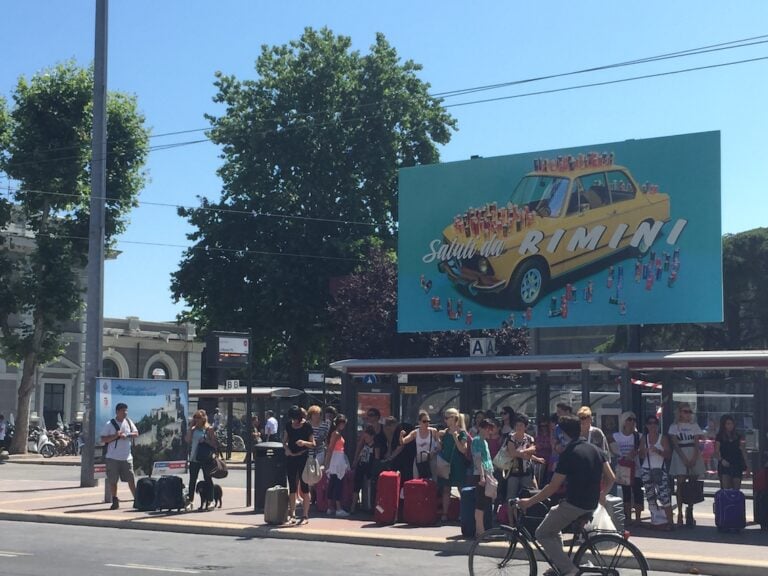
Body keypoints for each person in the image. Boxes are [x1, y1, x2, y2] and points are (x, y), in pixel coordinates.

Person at [519, 415, 615, 576]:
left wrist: (529, 502)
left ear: (562, 435)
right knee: (553, 516)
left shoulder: (569, 454)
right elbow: (611, 478)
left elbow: (553, 487)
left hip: (574, 504)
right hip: (591, 504)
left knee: (541, 533)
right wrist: (602, 495)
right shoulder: (595, 450)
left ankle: (569, 569)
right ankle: (560, 564)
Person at [668, 403, 705, 527]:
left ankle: (690, 509)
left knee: (693, 483)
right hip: (680, 454)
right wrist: (684, 459)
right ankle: (679, 512)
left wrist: (694, 457)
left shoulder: (694, 426)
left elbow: (696, 442)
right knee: (680, 484)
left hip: (693, 452)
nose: (688, 414)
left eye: (689, 412)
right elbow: (675, 445)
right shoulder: (674, 427)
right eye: (685, 411)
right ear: (679, 412)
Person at [100, 402, 139, 510]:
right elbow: (103, 439)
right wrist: (116, 436)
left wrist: (127, 435)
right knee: (113, 480)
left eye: (126, 410)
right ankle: (115, 499)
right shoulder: (110, 424)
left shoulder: (129, 422)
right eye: (123, 411)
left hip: (127, 457)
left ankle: (137, 500)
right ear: (117, 412)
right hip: (113, 457)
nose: (125, 413)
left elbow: (136, 433)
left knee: (131, 479)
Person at [638, 415, 674, 530]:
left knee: (664, 496)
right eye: (650, 423)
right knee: (650, 495)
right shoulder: (644, 438)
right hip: (646, 468)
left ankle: (670, 522)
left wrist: (658, 451)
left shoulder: (662, 438)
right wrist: (644, 451)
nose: (653, 425)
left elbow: (668, 455)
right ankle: (655, 520)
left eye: (655, 423)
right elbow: (640, 455)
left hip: (659, 468)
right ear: (647, 426)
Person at [283, 405, 315, 524]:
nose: (294, 421)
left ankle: (305, 515)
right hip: (291, 457)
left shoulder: (307, 426)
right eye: (292, 418)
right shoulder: (288, 425)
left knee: (304, 486)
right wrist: (286, 449)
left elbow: (313, 444)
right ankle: (292, 514)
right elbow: (284, 441)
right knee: (292, 485)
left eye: (295, 418)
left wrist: (304, 442)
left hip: (303, 457)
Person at [611, 411, 643, 525]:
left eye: (634, 420)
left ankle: (638, 518)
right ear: (624, 422)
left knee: (638, 491)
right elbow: (612, 450)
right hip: (623, 468)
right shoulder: (616, 436)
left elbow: (642, 450)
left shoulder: (638, 436)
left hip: (636, 468)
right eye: (629, 419)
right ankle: (628, 517)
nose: (632, 422)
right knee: (626, 493)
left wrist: (634, 453)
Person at [438, 407, 468, 523]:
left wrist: (456, 437)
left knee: (462, 490)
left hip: (458, 464)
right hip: (446, 464)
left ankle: (463, 513)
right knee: (446, 489)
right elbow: (441, 448)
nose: (445, 420)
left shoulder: (462, 432)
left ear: (454, 418)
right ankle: (445, 514)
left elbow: (463, 450)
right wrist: (438, 439)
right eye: (444, 418)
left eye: (447, 418)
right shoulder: (445, 432)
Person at [185, 409, 217, 506]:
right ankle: (190, 500)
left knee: (207, 478)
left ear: (203, 418)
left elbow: (214, 444)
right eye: (195, 417)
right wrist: (191, 427)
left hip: (205, 458)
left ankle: (210, 499)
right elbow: (187, 440)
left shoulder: (209, 429)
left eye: (198, 418)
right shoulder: (193, 429)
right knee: (192, 480)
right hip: (194, 458)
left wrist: (206, 440)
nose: (196, 420)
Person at [505, 414, 541, 498]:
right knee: (511, 497)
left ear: (526, 426)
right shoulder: (511, 437)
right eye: (517, 425)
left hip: (526, 472)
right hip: (512, 472)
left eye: (521, 425)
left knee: (527, 495)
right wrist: (525, 453)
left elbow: (530, 454)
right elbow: (512, 453)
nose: (518, 427)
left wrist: (522, 452)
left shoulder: (530, 439)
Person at [471, 418, 495, 537]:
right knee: (480, 503)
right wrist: (482, 476)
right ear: (480, 428)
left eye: (489, 429)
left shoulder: (484, 441)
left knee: (487, 502)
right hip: (481, 474)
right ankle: (479, 530)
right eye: (486, 428)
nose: (488, 431)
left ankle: (485, 529)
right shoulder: (476, 441)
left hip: (488, 473)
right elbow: (478, 459)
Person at [324, 414, 351, 517]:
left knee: (333, 483)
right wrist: (327, 463)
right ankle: (338, 508)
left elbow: (330, 448)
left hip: (336, 458)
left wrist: (327, 462)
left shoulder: (335, 433)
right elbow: (330, 448)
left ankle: (330, 507)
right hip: (337, 459)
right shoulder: (336, 434)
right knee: (338, 484)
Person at [400, 410, 439, 479]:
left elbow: (439, 446)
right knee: (417, 480)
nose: (427, 423)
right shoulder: (415, 433)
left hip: (431, 459)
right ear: (419, 422)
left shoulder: (433, 431)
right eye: (424, 421)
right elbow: (403, 442)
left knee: (433, 480)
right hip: (419, 459)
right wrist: (401, 435)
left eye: (428, 421)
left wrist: (434, 452)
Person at [714, 414, 749, 490]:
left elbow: (743, 451)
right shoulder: (719, 436)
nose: (730, 426)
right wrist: (721, 460)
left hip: (737, 464)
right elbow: (716, 452)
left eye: (731, 423)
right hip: (725, 464)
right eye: (728, 424)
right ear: (724, 425)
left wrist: (747, 465)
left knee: (736, 488)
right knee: (725, 488)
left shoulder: (738, 436)